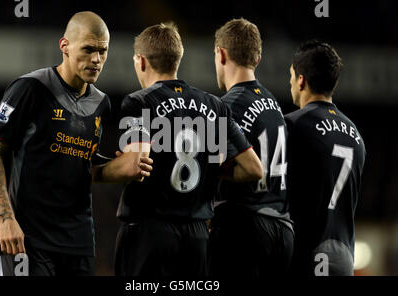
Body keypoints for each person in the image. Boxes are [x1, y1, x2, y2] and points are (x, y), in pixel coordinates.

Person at [0, 11, 152, 276]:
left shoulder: (101, 104)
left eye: (103, 51)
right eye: (88, 49)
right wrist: (5, 219)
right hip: (27, 237)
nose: (96, 59)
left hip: (78, 242)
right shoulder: (30, 88)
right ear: (65, 47)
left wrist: (123, 167)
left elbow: (84, 164)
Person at [114, 22, 263, 276]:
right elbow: (253, 168)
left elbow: (134, 167)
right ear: (177, 59)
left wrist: (116, 164)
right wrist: (210, 170)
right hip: (197, 236)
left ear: (140, 61)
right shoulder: (216, 106)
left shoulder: (139, 102)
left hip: (150, 231)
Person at [208, 18, 294, 277]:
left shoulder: (228, 106)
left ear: (221, 54)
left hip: (243, 229)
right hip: (282, 229)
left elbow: (213, 166)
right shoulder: (274, 105)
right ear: (257, 59)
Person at [285, 40, 366, 276]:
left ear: (301, 80)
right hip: (344, 258)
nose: (289, 82)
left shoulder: (293, 125)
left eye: (291, 75)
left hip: (305, 254)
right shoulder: (356, 136)